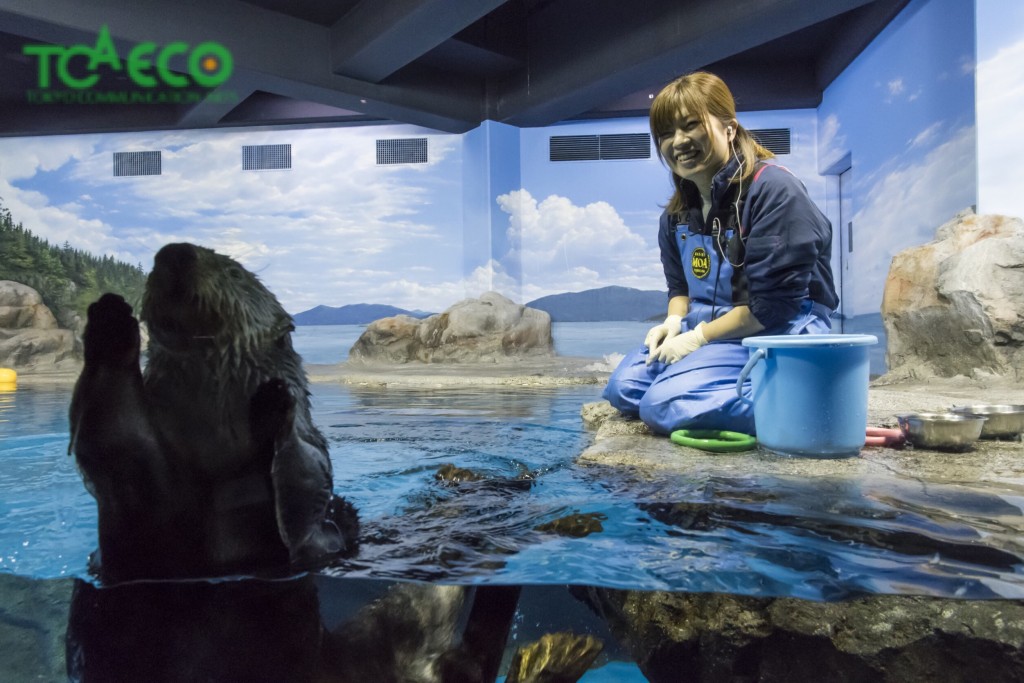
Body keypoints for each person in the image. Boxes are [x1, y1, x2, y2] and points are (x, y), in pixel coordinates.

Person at [602, 71, 839, 436]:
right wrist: (674, 323)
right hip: (713, 326)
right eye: (665, 133)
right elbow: (679, 288)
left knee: (660, 404)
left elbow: (772, 307)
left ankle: (807, 407)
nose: (678, 142)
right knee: (625, 390)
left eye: (691, 125)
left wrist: (698, 340)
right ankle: (722, 384)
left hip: (777, 328)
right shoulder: (677, 214)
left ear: (729, 128)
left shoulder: (772, 191)